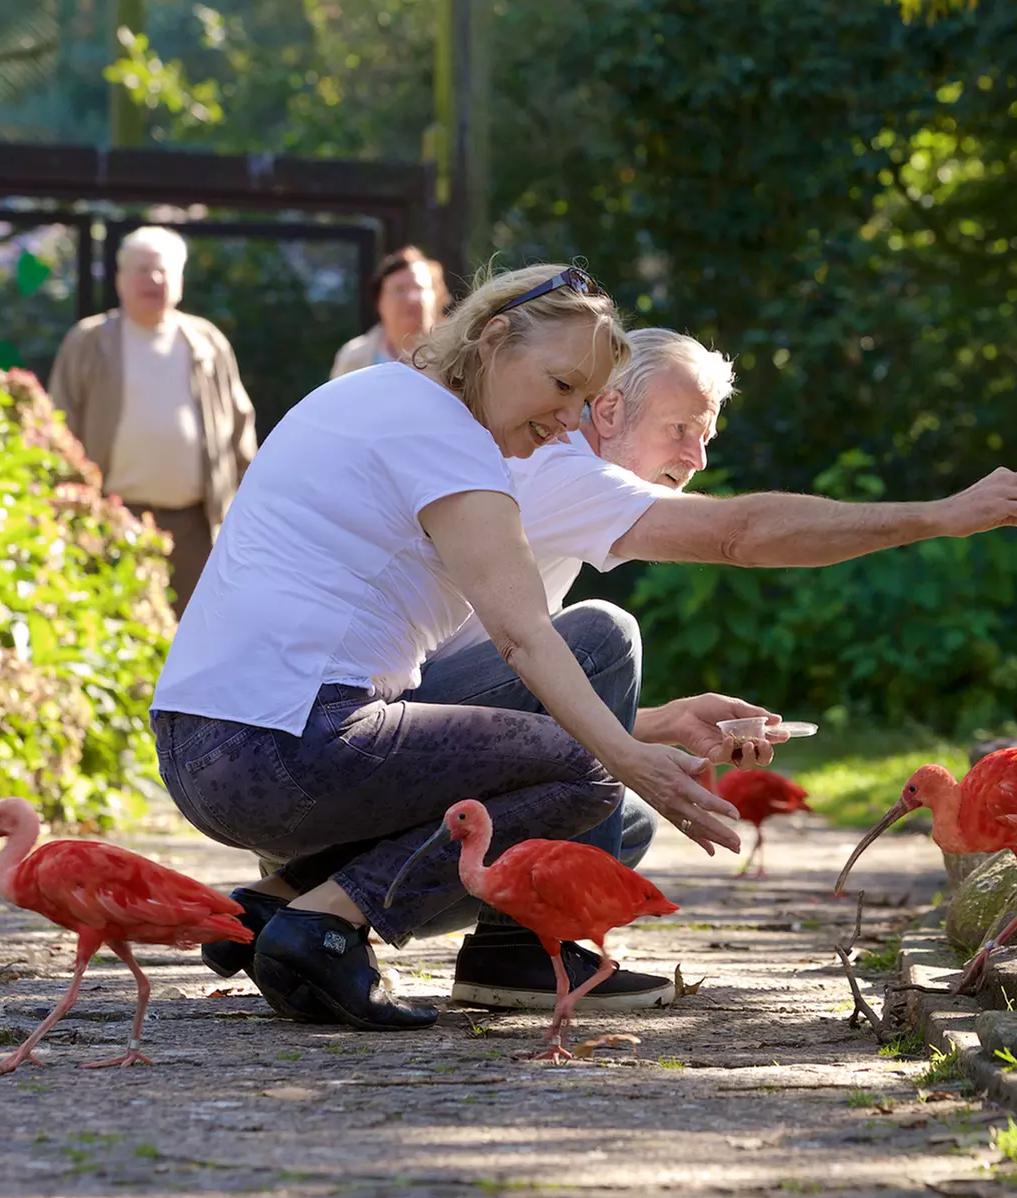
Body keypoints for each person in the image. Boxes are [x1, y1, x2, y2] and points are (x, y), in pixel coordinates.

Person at [149, 263, 756, 1031]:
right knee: (589, 770)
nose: (568, 420)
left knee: (609, 801)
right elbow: (524, 640)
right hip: (286, 752)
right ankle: (328, 924)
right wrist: (626, 758)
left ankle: (282, 903)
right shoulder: (447, 434)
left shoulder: (370, 394)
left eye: (581, 398)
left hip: (199, 748)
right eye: (561, 386)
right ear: (494, 339)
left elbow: (495, 717)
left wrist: (650, 730)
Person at [413, 326, 1017, 1009]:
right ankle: (517, 953)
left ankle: (494, 947)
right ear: (606, 410)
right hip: (389, 736)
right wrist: (940, 515)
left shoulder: (553, 476)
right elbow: (740, 534)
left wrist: (662, 720)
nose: (695, 458)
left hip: (423, 724)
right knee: (605, 634)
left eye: (705, 439)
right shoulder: (562, 471)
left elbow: (516, 697)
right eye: (680, 430)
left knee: (627, 822)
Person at [47, 226, 257, 614]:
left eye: (163, 270)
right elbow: (57, 427)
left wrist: (246, 508)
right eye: (142, 270)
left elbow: (240, 432)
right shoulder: (89, 341)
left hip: (196, 528)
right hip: (112, 518)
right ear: (120, 280)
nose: (153, 279)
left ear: (180, 281)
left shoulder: (207, 343)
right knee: (115, 626)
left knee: (195, 632)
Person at [329, 246, 450, 379]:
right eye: (399, 289)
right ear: (379, 301)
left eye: (420, 288)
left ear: (437, 297)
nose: (411, 298)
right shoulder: (353, 358)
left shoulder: (454, 355)